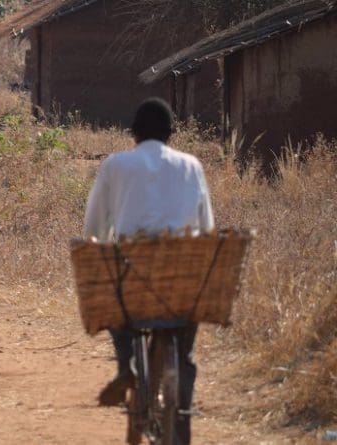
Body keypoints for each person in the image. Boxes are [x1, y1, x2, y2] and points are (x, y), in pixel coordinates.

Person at [83, 97, 214, 445]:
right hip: (182, 279)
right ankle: (181, 422)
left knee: (117, 300)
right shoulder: (192, 166)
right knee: (184, 357)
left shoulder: (116, 164)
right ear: (172, 133)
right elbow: (206, 227)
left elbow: (94, 227)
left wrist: (100, 244)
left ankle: (127, 364)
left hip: (136, 275)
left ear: (134, 133)